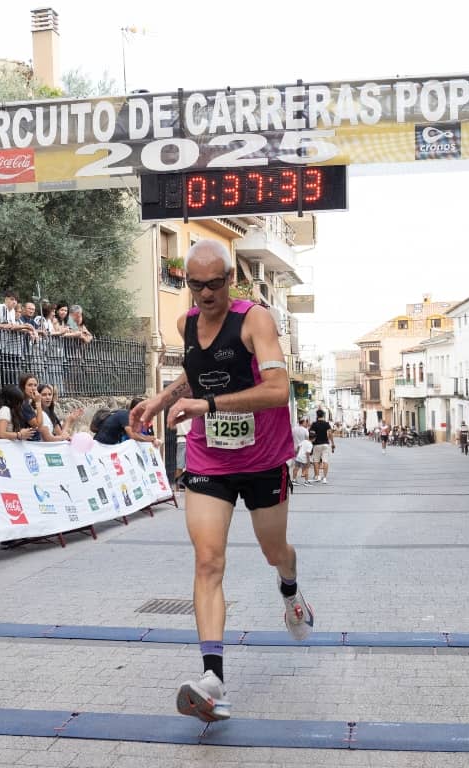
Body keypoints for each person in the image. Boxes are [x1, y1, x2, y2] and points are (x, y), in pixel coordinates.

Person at [130, 239, 310, 723]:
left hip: (263, 458)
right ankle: (212, 679)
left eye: (214, 284)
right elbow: (199, 374)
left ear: (230, 279)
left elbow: (277, 390)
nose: (206, 294)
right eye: (196, 285)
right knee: (208, 561)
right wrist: (164, 398)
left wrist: (206, 406)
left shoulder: (255, 321)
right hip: (210, 459)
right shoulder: (186, 324)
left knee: (275, 551)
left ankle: (290, 588)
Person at [93, 398, 159, 446]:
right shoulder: (126, 416)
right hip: (101, 444)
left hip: (109, 444)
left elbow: (136, 433)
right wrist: (149, 439)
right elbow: (132, 435)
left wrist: (151, 439)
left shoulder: (130, 417)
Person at [309, 409, 335, 483]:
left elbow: (311, 435)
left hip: (316, 445)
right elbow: (330, 434)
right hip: (325, 444)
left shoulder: (314, 424)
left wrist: (310, 443)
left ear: (317, 415)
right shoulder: (326, 424)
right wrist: (333, 443)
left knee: (316, 461)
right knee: (325, 461)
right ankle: (325, 478)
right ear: (323, 415)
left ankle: (317, 476)